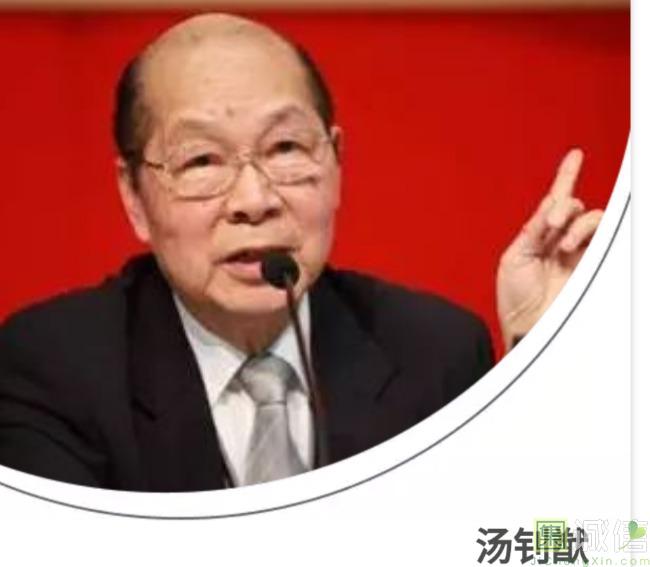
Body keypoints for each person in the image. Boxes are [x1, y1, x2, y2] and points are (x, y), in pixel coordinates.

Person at [0, 13, 602, 492]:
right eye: (202, 160)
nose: (254, 200)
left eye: (286, 148)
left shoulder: (435, 353)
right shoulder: (53, 369)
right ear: (134, 197)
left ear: (336, 163)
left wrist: (545, 361)